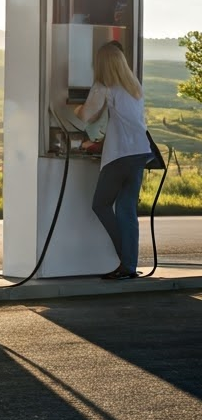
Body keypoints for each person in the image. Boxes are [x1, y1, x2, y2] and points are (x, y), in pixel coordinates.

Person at [74, 40, 152, 280]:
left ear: (102, 64)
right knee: (127, 210)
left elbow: (86, 115)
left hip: (120, 156)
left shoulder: (104, 85)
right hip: (140, 152)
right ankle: (128, 265)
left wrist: (74, 109)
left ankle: (126, 258)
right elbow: (125, 121)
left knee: (101, 204)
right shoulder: (133, 85)